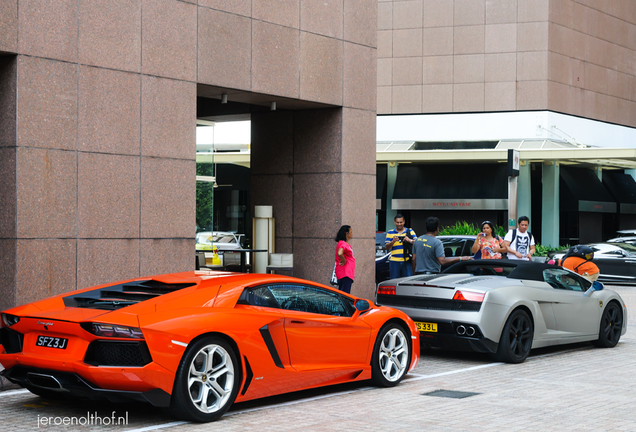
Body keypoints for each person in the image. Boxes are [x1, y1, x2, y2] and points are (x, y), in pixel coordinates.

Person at [385, 214, 416, 279]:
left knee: (408, 282)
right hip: (394, 261)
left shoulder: (410, 231)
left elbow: (417, 243)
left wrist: (409, 240)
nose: (399, 224)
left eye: (401, 222)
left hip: (406, 260)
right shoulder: (390, 232)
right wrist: (393, 241)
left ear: (404, 222)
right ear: (394, 222)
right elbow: (386, 247)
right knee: (394, 282)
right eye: (397, 222)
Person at [334, 225, 355, 293]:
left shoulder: (345, 244)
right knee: (344, 294)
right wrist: (344, 260)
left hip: (347, 273)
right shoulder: (342, 243)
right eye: (351, 232)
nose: (352, 233)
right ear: (346, 233)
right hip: (345, 273)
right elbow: (340, 253)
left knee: (344, 293)